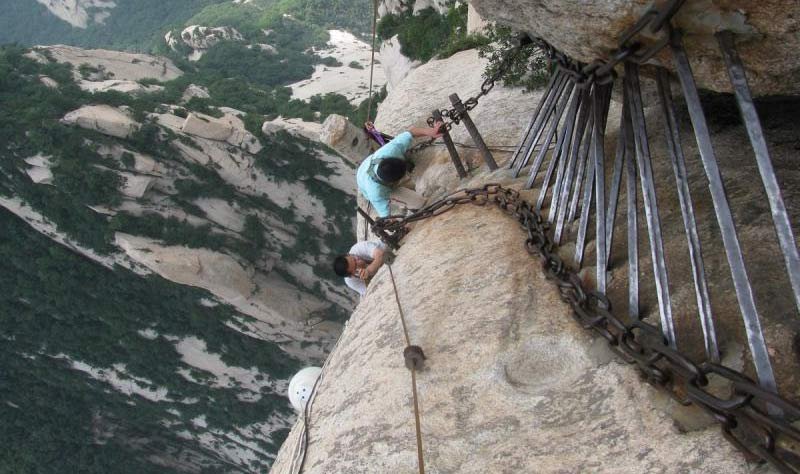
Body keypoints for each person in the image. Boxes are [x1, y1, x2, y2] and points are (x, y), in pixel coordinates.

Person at [357, 122, 444, 218]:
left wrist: (430, 132)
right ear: (392, 182)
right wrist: (390, 221)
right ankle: (410, 206)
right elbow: (385, 216)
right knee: (419, 203)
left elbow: (411, 133)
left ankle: (408, 196)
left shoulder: (390, 151)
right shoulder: (377, 193)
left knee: (411, 185)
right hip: (365, 182)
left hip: (367, 166)